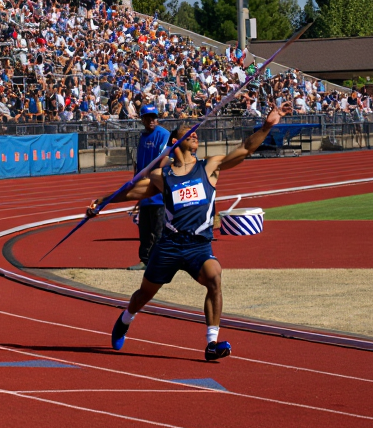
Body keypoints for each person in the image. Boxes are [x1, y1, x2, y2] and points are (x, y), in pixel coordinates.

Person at [88, 107, 286, 362]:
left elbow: (246, 149)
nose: (194, 134)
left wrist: (267, 126)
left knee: (214, 276)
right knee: (144, 295)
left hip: (198, 245)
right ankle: (126, 318)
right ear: (175, 141)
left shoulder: (210, 167)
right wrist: (101, 202)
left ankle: (212, 343)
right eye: (188, 132)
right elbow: (133, 192)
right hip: (169, 245)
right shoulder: (163, 175)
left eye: (196, 133)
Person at [128, 105, 171, 271]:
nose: (152, 120)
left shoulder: (163, 135)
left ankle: (159, 261)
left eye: (154, 117)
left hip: (158, 191)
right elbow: (139, 165)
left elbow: (162, 160)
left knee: (159, 229)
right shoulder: (142, 137)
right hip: (144, 191)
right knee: (144, 229)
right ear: (142, 119)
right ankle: (144, 260)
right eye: (148, 117)